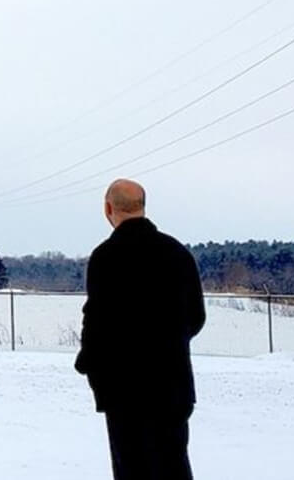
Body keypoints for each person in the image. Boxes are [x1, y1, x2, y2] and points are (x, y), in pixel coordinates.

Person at [75, 179, 205, 480]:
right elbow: (196, 317)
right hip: (173, 384)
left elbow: (96, 322)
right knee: (174, 465)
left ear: (108, 208)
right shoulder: (178, 254)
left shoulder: (106, 257)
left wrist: (88, 363)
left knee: (132, 468)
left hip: (123, 389)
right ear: (143, 207)